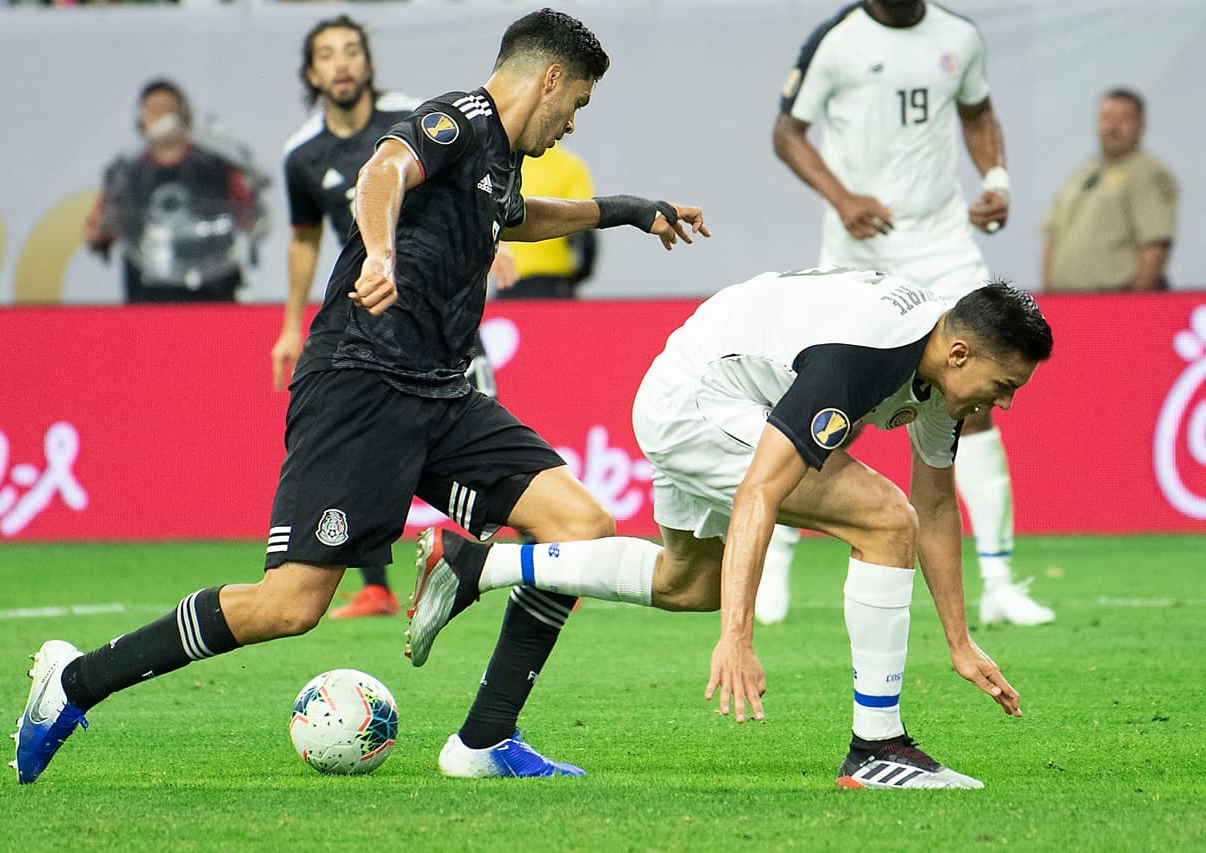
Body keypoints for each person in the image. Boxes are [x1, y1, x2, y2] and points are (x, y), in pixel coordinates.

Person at [12, 7, 708, 785]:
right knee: (289, 605)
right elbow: (383, 170)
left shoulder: (501, 159)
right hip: (361, 379)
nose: (573, 121)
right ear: (548, 78)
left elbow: (516, 218)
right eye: (576, 102)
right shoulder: (457, 118)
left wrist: (628, 210)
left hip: (440, 393)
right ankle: (72, 683)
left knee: (581, 525)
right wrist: (380, 252)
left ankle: (485, 740)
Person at [407, 269, 1052, 789]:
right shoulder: (869, 353)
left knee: (689, 581)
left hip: (710, 373)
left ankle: (475, 567)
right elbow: (761, 491)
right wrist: (736, 638)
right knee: (885, 521)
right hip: (700, 396)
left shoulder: (945, 365)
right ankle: (876, 747)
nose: (1007, 403)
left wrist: (959, 642)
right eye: (1003, 385)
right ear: (961, 352)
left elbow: (938, 505)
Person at [769, 0, 1054, 627]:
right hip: (860, 247)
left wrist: (997, 180)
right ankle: (776, 560)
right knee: (833, 401)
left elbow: (977, 111)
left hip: (944, 242)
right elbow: (787, 133)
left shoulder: (958, 34)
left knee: (973, 403)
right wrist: (841, 198)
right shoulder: (837, 38)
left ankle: (1001, 581)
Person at [271, 16, 421, 619]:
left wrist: (499, 239)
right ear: (312, 73)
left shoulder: (411, 122)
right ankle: (376, 585)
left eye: (351, 51)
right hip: (366, 306)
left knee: (476, 409)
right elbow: (304, 238)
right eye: (327, 55)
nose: (342, 63)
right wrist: (289, 325)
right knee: (362, 440)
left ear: (367, 63)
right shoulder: (302, 156)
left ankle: (537, 558)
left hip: (435, 298)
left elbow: (472, 178)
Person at [84, 79, 264, 303]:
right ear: (141, 119)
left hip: (214, 292)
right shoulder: (126, 173)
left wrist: (256, 204)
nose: (161, 117)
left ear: (184, 115)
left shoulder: (218, 165)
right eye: (152, 110)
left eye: (168, 109)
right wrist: (100, 231)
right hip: (148, 295)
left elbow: (252, 218)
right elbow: (98, 233)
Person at [1041, 88, 1178, 293]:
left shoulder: (1147, 173)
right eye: (1106, 118)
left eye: (1124, 119)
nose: (1113, 127)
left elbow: (1155, 245)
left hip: (1115, 301)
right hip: (1066, 301)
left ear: (1140, 126)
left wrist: (1134, 304)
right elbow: (1053, 239)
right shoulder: (1082, 172)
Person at [496, 144, 598, 299]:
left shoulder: (503, 167)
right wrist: (583, 273)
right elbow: (585, 230)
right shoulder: (571, 167)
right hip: (555, 282)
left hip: (509, 280)